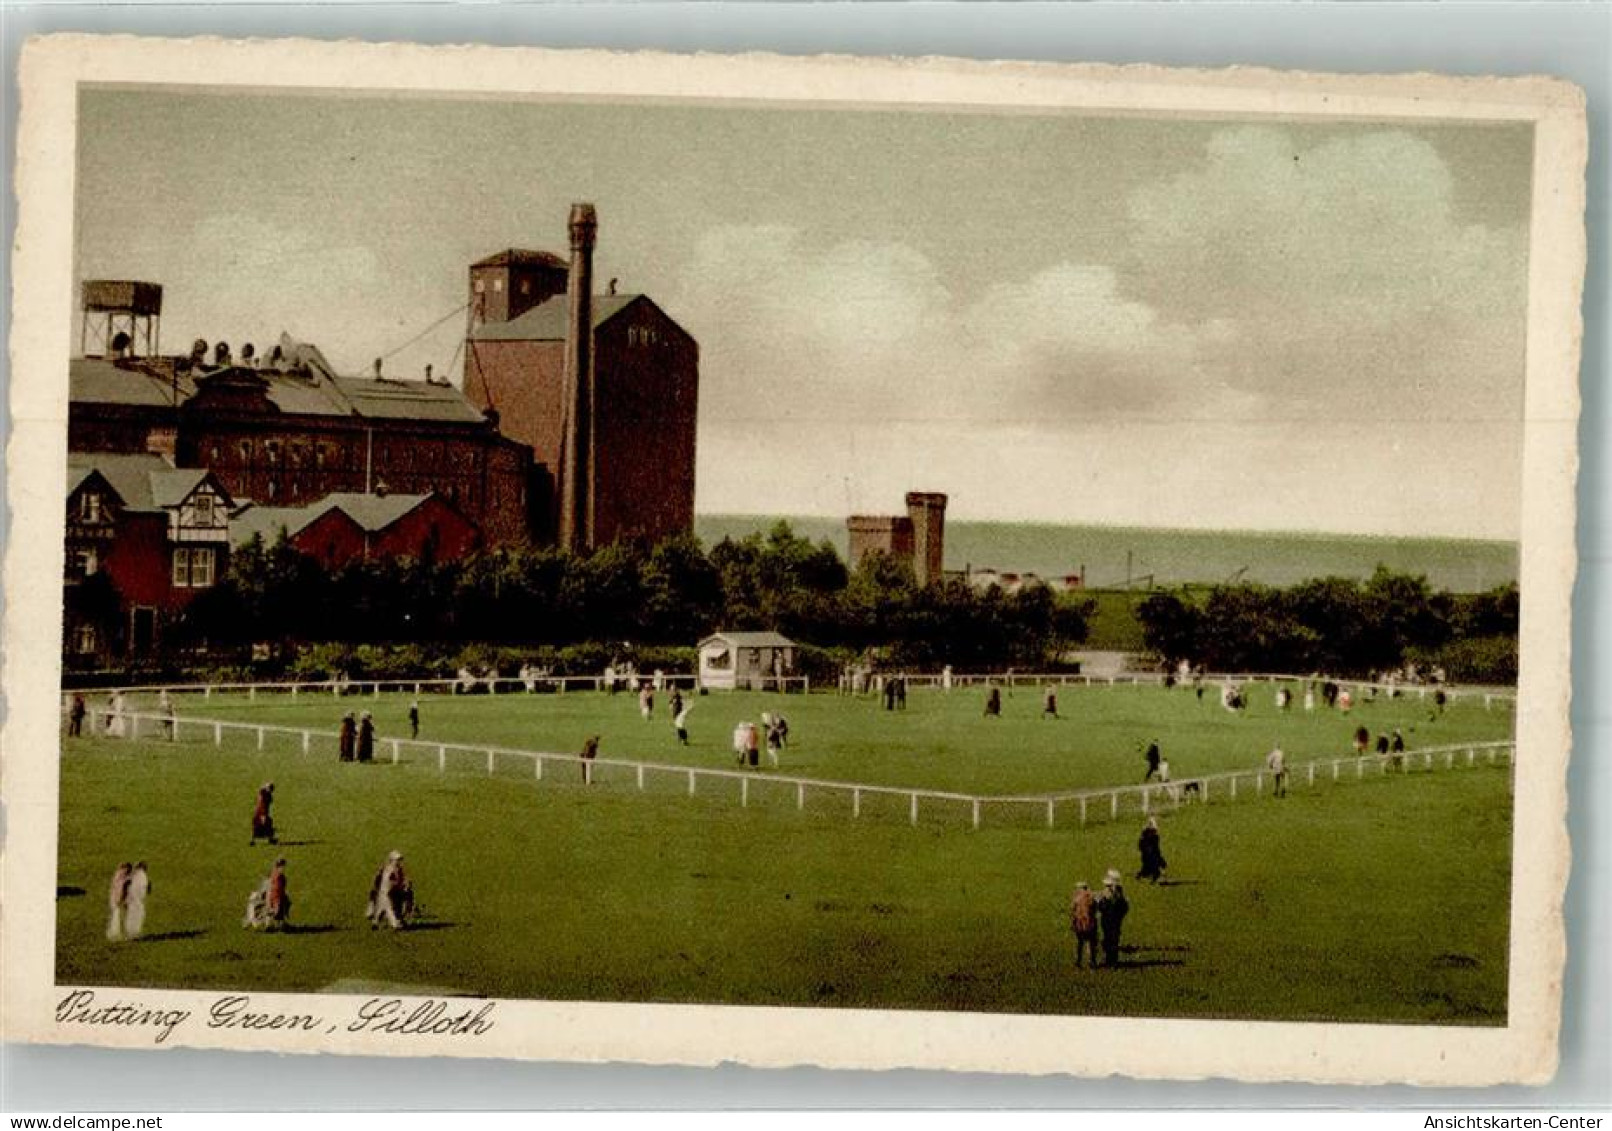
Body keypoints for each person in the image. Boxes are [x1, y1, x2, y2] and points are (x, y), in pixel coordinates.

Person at [368, 851, 413, 930]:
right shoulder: (389, 870)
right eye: (397, 860)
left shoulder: (398, 869)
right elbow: (388, 882)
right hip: (386, 892)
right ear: (392, 860)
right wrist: (399, 885)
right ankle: (395, 923)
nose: (399, 861)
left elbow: (402, 879)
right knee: (389, 908)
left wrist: (406, 884)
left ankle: (375, 922)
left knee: (383, 908)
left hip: (393, 892)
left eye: (399, 860)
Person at [1096, 870, 1130, 968]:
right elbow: (1125, 908)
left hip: (1108, 921)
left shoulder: (1108, 896)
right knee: (1113, 941)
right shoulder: (1120, 897)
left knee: (1109, 940)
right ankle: (1113, 961)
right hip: (1116, 922)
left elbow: (1102, 907)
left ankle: (1110, 961)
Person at [1070, 881, 1099, 969]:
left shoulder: (1076, 898)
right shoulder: (1091, 897)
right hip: (1090, 924)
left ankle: (1077, 961)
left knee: (1079, 943)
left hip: (1079, 924)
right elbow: (1096, 909)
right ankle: (1091, 961)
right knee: (1090, 943)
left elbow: (1072, 910)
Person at [124, 862, 150, 939]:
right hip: (137, 900)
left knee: (131, 916)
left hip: (132, 899)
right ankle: (133, 933)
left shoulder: (133, 876)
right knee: (138, 916)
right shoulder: (142, 876)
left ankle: (129, 933)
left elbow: (127, 886)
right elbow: (143, 889)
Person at [107, 862, 131, 941]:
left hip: (116, 900)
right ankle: (118, 934)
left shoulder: (117, 876)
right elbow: (121, 891)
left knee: (116, 917)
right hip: (120, 901)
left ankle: (115, 934)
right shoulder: (124, 880)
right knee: (120, 918)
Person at [1137, 817, 1167, 883]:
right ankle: (1154, 876)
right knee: (1151, 865)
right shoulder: (1145, 837)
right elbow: (1143, 848)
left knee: (1150, 867)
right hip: (1148, 856)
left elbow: (1156, 849)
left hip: (1151, 856)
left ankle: (1146, 874)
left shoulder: (1154, 837)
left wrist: (1160, 859)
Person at [265, 859, 290, 929]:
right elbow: (277, 887)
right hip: (275, 895)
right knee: (277, 910)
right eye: (282, 866)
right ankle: (274, 925)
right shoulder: (278, 876)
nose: (283, 868)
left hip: (273, 894)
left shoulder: (275, 874)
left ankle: (272, 924)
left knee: (275, 909)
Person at [251, 782, 277, 846]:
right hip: (261, 813)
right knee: (263, 826)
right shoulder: (263, 794)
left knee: (262, 826)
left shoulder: (265, 795)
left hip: (261, 813)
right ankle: (254, 840)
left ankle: (253, 840)